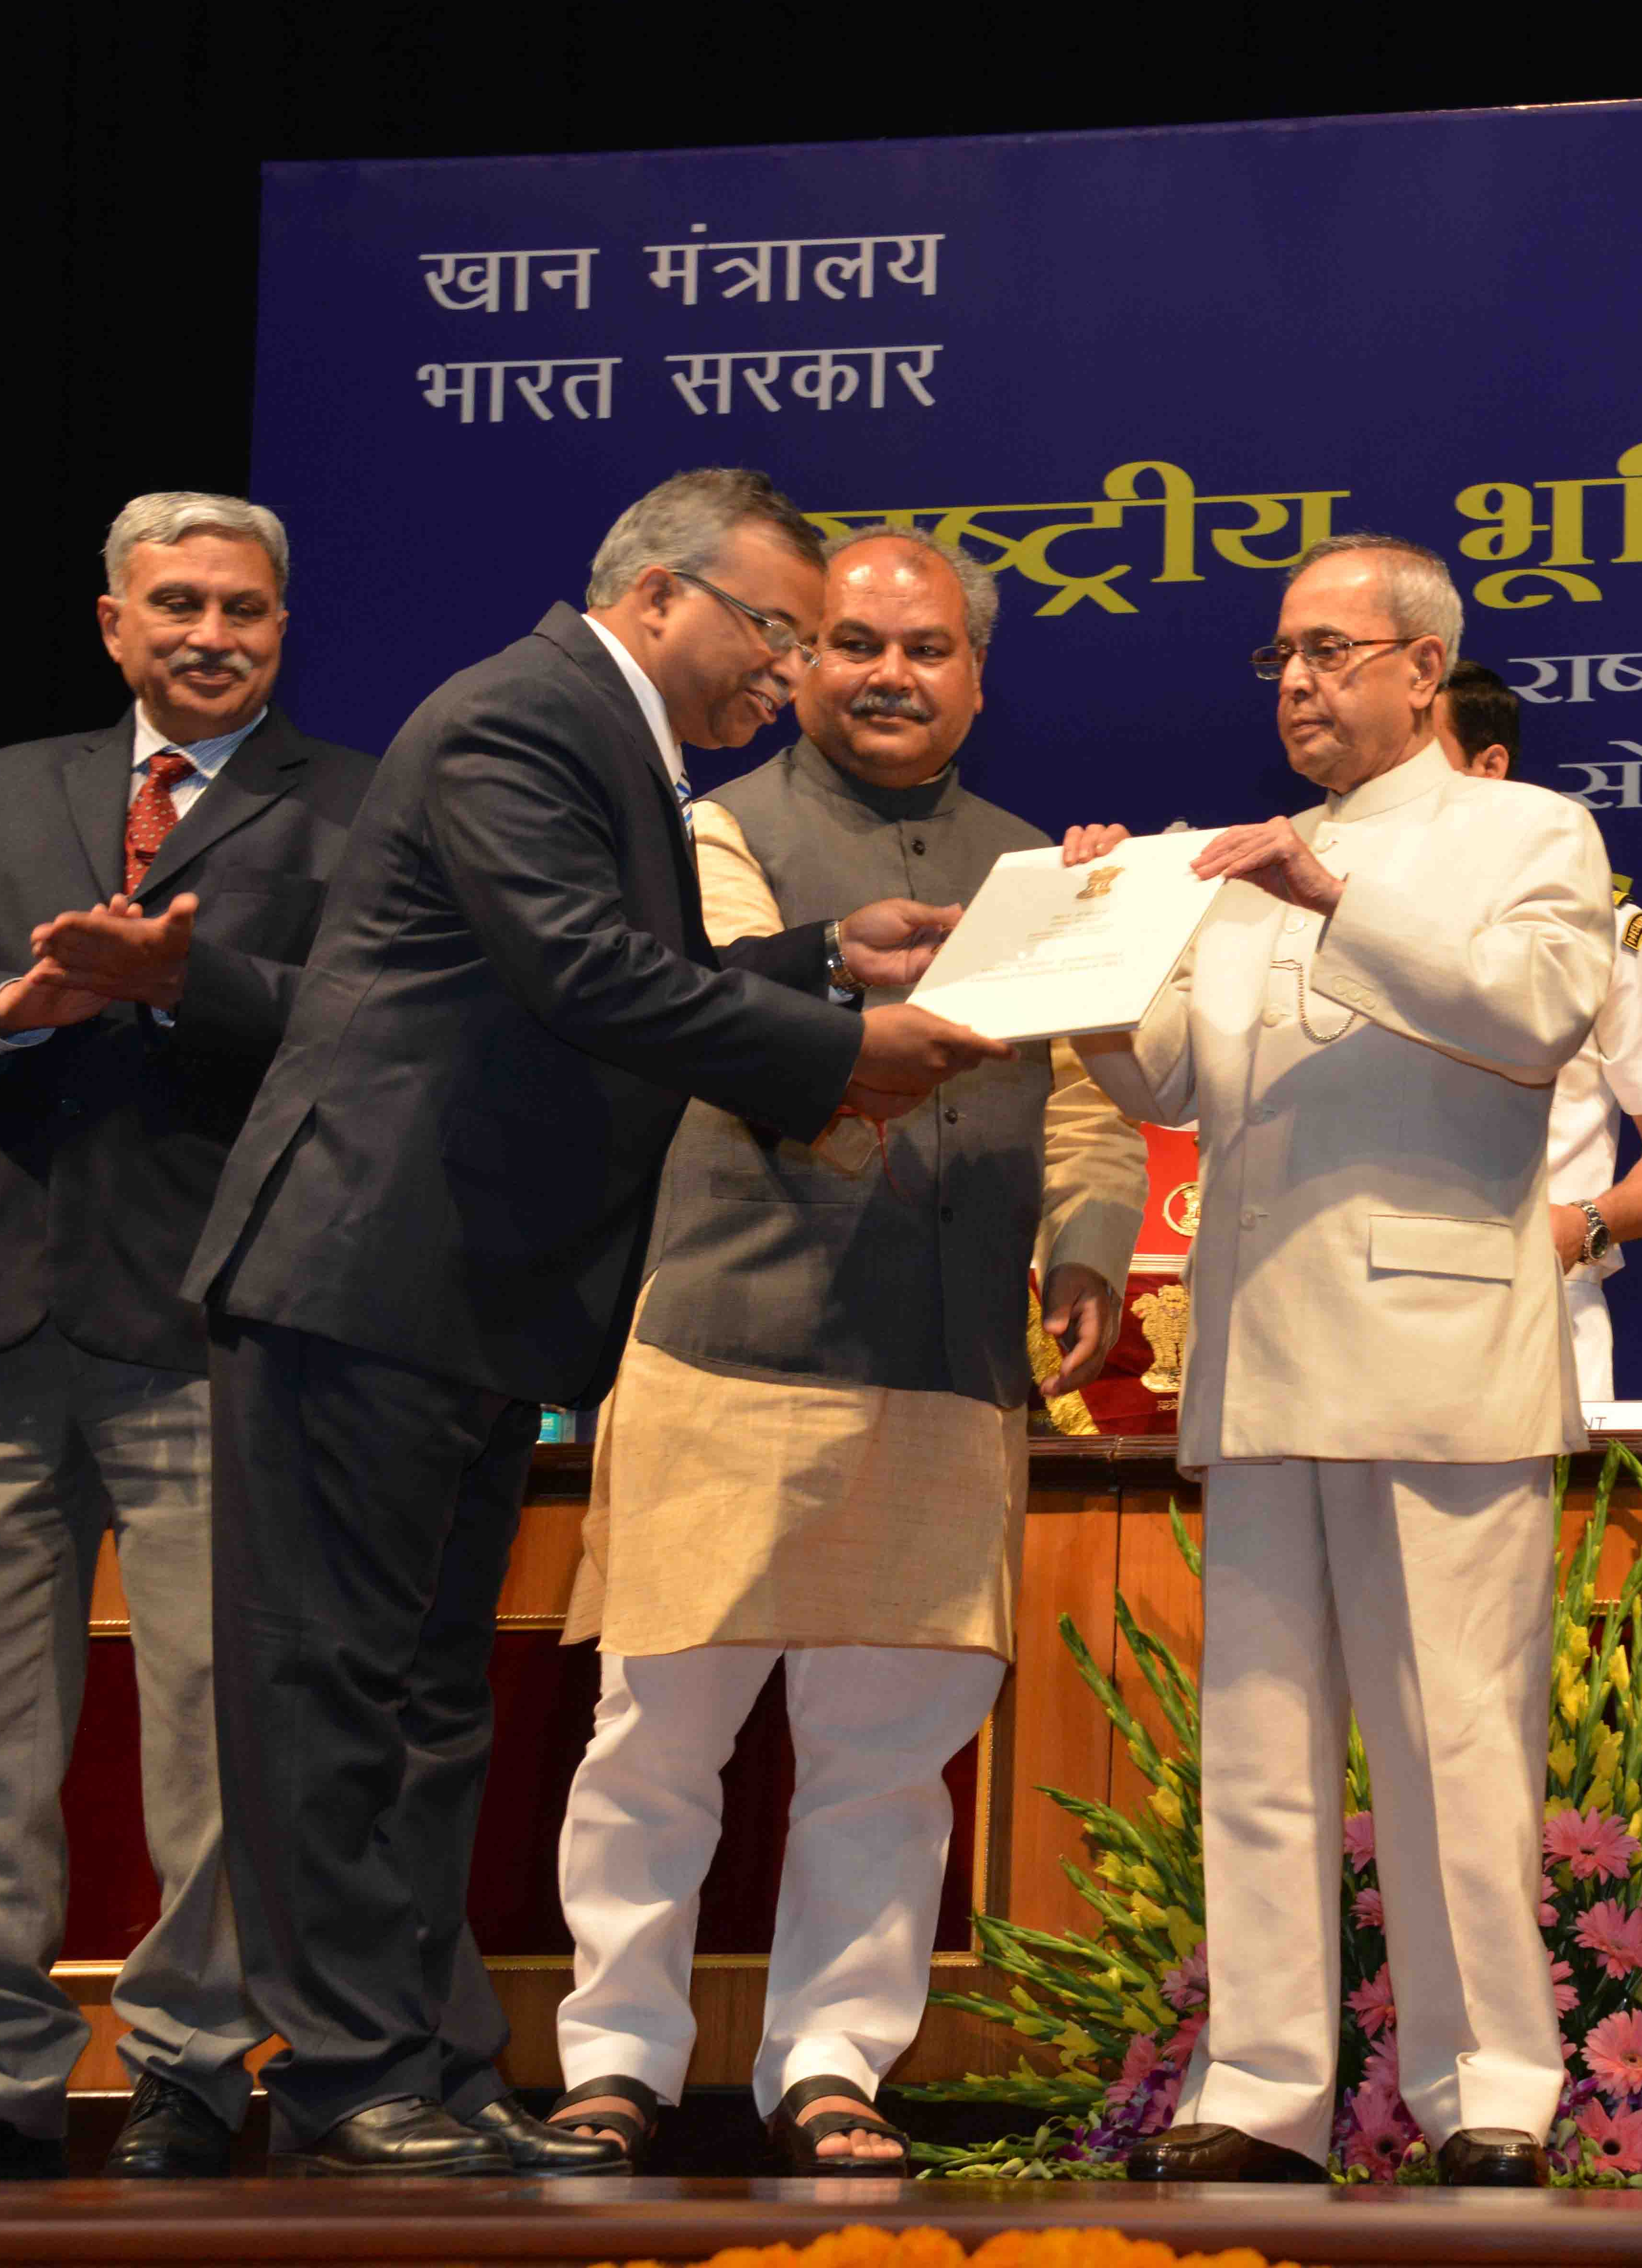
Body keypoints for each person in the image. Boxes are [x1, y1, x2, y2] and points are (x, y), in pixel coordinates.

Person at [180, 468, 1007, 2177]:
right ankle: (345, 2074)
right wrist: (850, 1050)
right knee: (334, 1692)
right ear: (656, 599)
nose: (784, 674)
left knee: (422, 1701)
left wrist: (824, 963)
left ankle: (431, 2056)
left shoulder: (603, 737)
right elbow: (587, 979)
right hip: (366, 1274)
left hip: (457, 1298)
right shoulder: (527, 718)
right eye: (774, 630)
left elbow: (620, 971)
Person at [540, 528, 1145, 2176]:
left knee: (890, 1755)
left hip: (948, 1360)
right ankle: (616, 2055)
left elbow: (1089, 1098)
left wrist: (1087, 1246)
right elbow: (737, 1034)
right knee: (661, 1739)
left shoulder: (1044, 863)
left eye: (929, 649)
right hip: (731, 1343)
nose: (892, 674)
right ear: (797, 660)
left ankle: (832, 2062)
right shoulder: (714, 839)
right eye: (857, 643)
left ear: (977, 673)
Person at [0, 495, 375, 2184]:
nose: (214, 633)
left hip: (216, 1321)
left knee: (215, 1728)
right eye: (180, 605)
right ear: (114, 623)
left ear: (285, 629)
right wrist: (20, 1006)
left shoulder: (349, 806)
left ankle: (194, 2069)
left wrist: (170, 982)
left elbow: (366, 1023)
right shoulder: (11, 786)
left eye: (248, 610)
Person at [1069, 535, 1609, 2188]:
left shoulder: (1528, 830)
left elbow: (1532, 1017)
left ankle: (1492, 2090)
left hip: (1440, 1348)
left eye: (1329, 649)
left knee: (1458, 1741)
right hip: (1260, 1348)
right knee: (1260, 1738)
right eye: (1279, 658)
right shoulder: (1246, 856)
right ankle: (1264, 2088)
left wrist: (1336, 898)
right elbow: (1166, 1080)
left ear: (1423, 671)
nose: (1296, 682)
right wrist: (1095, 940)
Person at [1432, 660, 1642, 1402]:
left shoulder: (1602, 928)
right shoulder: (1329, 916)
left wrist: (1586, 1224)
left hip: (1535, 1314)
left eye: (1419, 757)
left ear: (1490, 765)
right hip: (1355, 1316)